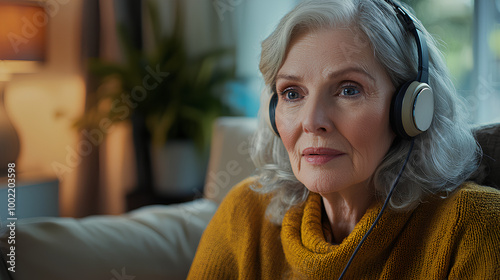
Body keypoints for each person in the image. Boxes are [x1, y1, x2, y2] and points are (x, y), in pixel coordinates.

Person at [188, 0, 500, 279]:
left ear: (411, 109)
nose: (311, 122)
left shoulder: (475, 227)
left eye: (349, 89)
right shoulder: (244, 213)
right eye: (292, 93)